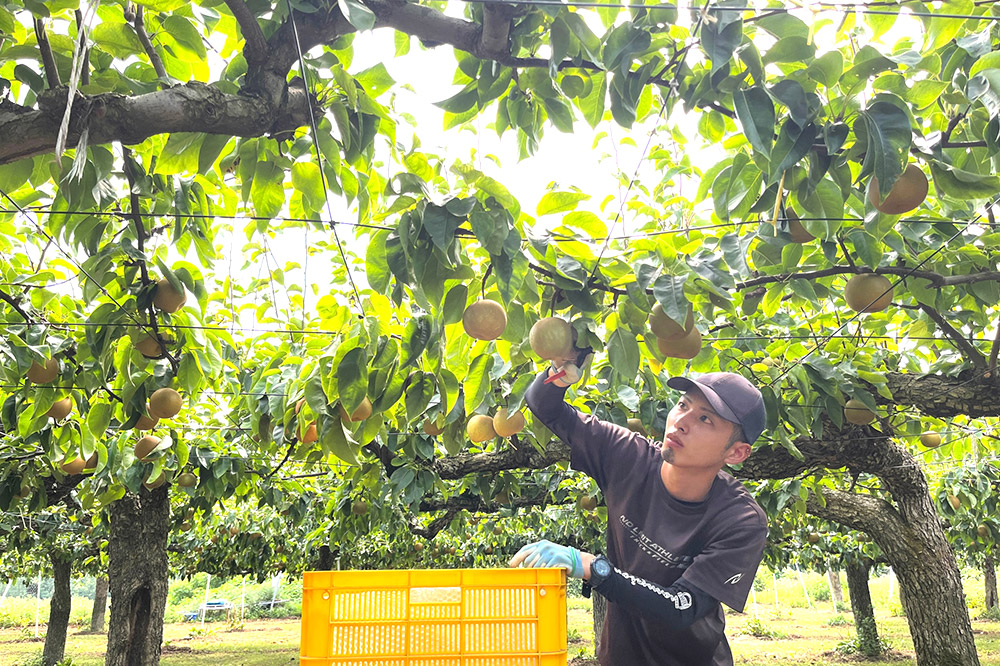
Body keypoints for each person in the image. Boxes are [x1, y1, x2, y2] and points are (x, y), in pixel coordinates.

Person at [510, 348, 768, 665]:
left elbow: (682, 607)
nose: (681, 422)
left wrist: (593, 567)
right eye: (683, 405)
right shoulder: (627, 455)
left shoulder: (740, 519)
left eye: (705, 419)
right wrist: (562, 371)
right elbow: (544, 407)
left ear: (737, 453)